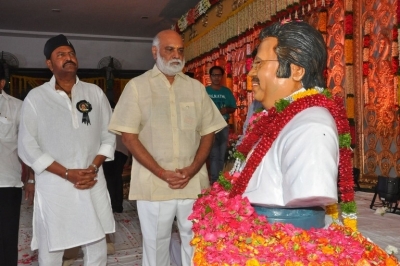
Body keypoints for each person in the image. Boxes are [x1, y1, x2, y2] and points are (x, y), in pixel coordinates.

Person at [108, 29, 226, 266]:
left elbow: (209, 132)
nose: (176, 55)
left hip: (192, 183)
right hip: (154, 184)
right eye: (169, 49)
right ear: (155, 52)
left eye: (180, 50)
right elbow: (129, 137)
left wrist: (192, 169)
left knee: (195, 244)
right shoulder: (137, 87)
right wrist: (161, 172)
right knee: (155, 245)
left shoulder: (195, 88)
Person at [17, 34, 116, 266]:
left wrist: (93, 167)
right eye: (60, 55)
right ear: (49, 64)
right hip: (55, 185)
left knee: (97, 242)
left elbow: (109, 134)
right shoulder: (36, 98)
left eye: (71, 54)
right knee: (53, 244)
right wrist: (66, 172)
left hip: (92, 180)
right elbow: (27, 145)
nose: (68, 58)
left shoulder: (95, 93)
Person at [238, 20, 338, 229]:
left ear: (296, 71)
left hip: (284, 236)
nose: (250, 74)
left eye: (259, 64)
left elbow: (310, 190)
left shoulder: (311, 126)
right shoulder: (272, 118)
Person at [0, 63, 32, 265]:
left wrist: (30, 178)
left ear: (1, 83)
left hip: (7, 183)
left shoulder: (17, 107)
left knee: (7, 236)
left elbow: (28, 147)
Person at [206, 66, 237, 183]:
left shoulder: (226, 92)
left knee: (222, 154)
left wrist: (226, 110)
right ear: (210, 77)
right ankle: (214, 181)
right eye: (214, 75)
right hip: (209, 127)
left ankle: (221, 180)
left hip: (223, 126)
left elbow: (233, 108)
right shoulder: (205, 91)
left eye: (219, 75)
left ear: (222, 77)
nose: (216, 78)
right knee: (213, 155)